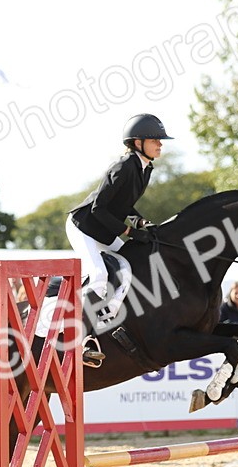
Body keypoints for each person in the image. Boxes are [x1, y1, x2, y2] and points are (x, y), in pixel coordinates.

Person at [66, 113, 172, 365]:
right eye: (155, 140)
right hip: (83, 226)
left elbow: (124, 205)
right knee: (100, 275)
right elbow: (98, 209)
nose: (160, 144)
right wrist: (127, 232)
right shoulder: (123, 167)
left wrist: (140, 222)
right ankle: (79, 340)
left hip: (103, 228)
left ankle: (106, 318)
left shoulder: (145, 168)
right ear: (138, 143)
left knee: (130, 265)